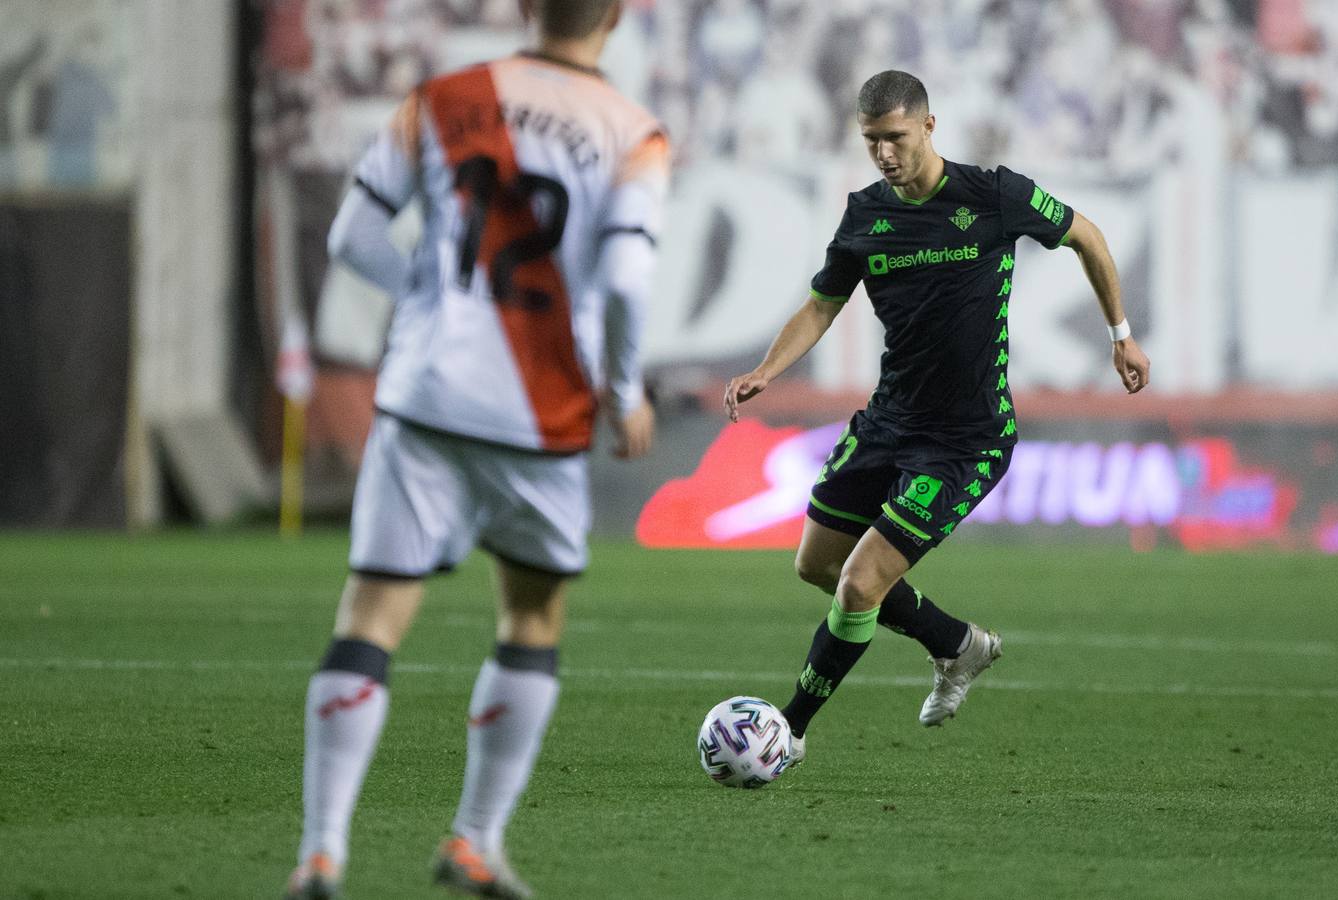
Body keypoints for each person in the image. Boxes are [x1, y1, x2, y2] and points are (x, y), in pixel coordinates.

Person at [285, 2, 668, 897]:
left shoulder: (445, 96)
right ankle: (474, 840)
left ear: (527, 8)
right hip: (540, 416)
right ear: (613, 16)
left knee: (371, 618)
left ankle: (321, 852)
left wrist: (423, 294)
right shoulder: (632, 134)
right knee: (531, 618)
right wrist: (623, 392)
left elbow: (352, 236)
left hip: (423, 395)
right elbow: (622, 278)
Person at [724, 70, 1149, 764]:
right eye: (871, 142)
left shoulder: (993, 196)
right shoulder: (865, 214)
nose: (884, 154)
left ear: (928, 126)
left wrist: (1120, 334)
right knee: (817, 565)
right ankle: (957, 645)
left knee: (861, 583)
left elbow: (1089, 238)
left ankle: (788, 731)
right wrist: (768, 370)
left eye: (894, 138)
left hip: (965, 440)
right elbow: (823, 303)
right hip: (888, 422)